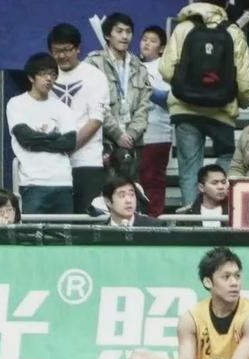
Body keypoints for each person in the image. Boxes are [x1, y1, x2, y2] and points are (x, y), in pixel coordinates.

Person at [159, 0, 249, 206]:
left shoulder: (183, 28)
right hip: (222, 109)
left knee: (189, 166)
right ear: (225, 5)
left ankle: (191, 213)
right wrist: (245, 101)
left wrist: (187, 84)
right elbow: (243, 79)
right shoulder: (233, 31)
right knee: (228, 155)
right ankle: (218, 202)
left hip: (185, 108)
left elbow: (166, 70)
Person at [48, 23, 109, 213]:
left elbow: (96, 120)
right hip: (53, 166)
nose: (61, 56)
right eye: (56, 51)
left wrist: (69, 147)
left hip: (87, 162)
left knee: (86, 218)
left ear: (78, 48)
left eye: (67, 50)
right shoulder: (46, 77)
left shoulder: (95, 76)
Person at [6, 52, 77, 214]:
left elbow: (70, 142)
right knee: (31, 229)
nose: (49, 79)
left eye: (53, 74)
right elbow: (25, 138)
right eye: (43, 74)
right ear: (31, 77)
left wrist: (37, 143)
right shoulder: (17, 104)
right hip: (33, 182)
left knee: (64, 230)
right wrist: (54, 137)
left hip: (63, 182)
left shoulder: (62, 108)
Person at [86, 13, 152, 182]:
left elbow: (144, 107)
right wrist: (117, 134)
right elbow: (95, 104)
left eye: (128, 32)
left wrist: (131, 134)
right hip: (104, 140)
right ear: (108, 35)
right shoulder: (93, 63)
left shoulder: (139, 67)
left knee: (130, 189)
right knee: (106, 190)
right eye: (119, 31)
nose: (125, 36)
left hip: (133, 142)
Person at [139, 25, 172, 217]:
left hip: (158, 133)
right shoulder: (132, 65)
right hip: (134, 134)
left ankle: (154, 219)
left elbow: (167, 100)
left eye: (152, 41)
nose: (146, 43)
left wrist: (145, 86)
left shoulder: (164, 68)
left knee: (153, 181)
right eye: (144, 39)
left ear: (162, 48)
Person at [98, 175, 165, 227]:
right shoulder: (98, 231)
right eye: (122, 196)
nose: (129, 201)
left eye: (132, 195)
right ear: (108, 201)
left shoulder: (155, 227)